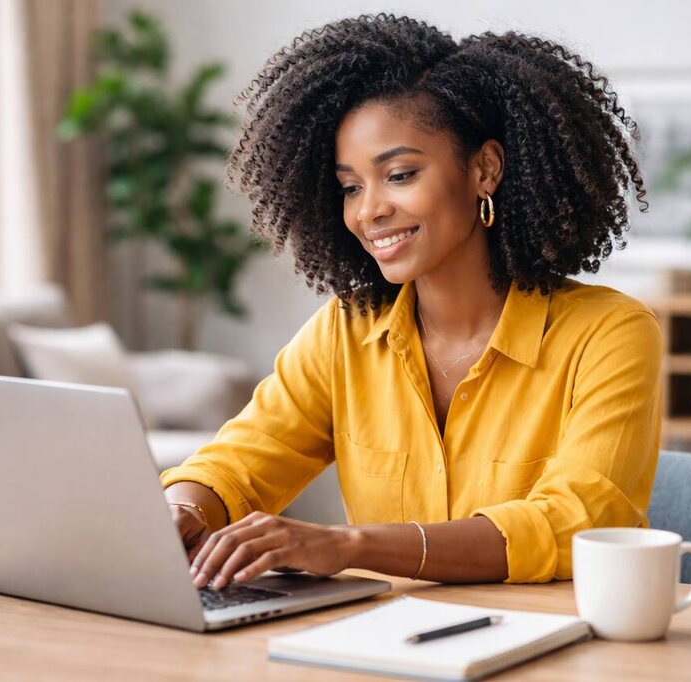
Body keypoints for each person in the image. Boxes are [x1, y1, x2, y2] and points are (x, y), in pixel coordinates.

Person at [161, 14, 661, 588]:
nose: (368, 211)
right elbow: (239, 462)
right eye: (350, 186)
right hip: (386, 649)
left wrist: (348, 545)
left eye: (398, 174)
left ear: (484, 168)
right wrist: (186, 511)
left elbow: (579, 522)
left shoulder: (610, 334)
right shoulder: (345, 333)